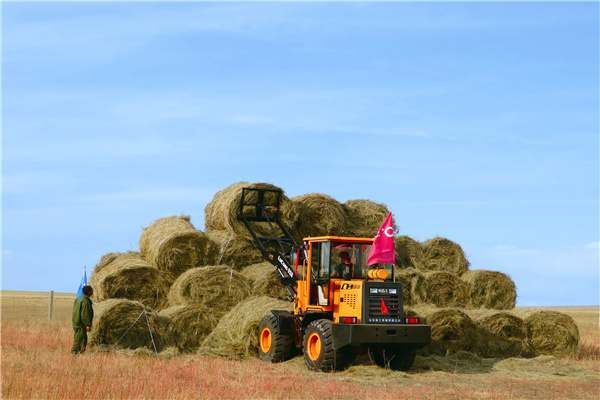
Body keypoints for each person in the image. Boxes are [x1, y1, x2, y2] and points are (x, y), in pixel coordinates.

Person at [71, 285, 94, 354]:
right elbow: (85, 314)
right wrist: (88, 324)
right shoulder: (85, 301)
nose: (93, 291)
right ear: (89, 292)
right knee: (79, 339)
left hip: (76, 321)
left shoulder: (79, 299)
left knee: (82, 339)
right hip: (81, 324)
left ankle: (80, 353)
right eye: (92, 290)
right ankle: (74, 353)